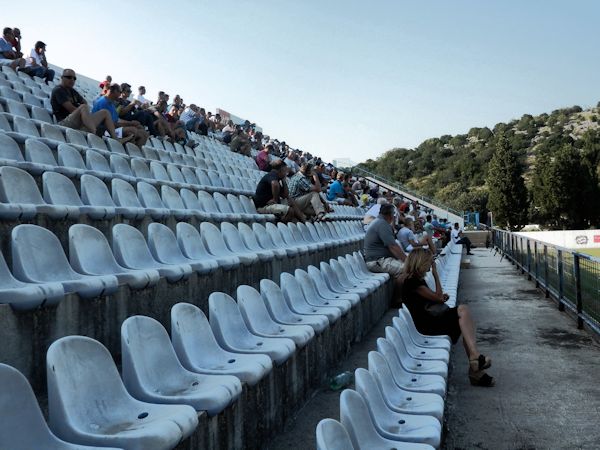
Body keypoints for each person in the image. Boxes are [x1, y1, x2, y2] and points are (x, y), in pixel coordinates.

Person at [400, 249, 494, 386]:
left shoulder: (415, 280)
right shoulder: (412, 281)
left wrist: (439, 296)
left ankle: (475, 366)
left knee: (464, 321)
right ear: (421, 262)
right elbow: (438, 297)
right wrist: (436, 274)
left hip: (429, 319)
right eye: (429, 262)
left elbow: (436, 297)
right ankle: (475, 365)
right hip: (426, 325)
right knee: (463, 312)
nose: (430, 265)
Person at [51, 68, 121, 139]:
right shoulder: (58, 90)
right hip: (64, 121)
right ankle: (93, 132)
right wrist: (84, 115)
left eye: (74, 78)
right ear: (62, 78)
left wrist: (85, 117)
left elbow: (84, 101)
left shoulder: (72, 91)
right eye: (69, 77)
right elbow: (71, 109)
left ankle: (115, 138)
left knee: (105, 112)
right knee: (83, 107)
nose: (72, 80)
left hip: (78, 121)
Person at [364, 203, 408, 305]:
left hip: (380, 259)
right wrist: (407, 261)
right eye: (393, 214)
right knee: (407, 269)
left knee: (408, 267)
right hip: (377, 261)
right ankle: (397, 299)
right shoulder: (382, 224)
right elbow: (393, 247)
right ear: (390, 215)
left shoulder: (379, 222)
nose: (394, 217)